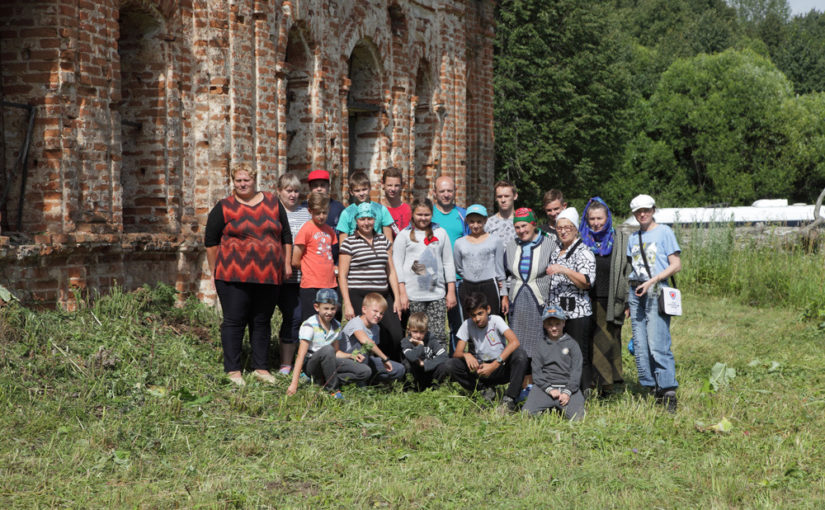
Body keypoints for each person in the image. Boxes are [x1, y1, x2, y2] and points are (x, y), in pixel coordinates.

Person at [204, 162, 292, 386]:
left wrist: (287, 263)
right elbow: (211, 242)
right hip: (233, 276)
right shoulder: (225, 207)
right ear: (233, 182)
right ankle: (233, 370)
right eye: (238, 181)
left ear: (255, 180)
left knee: (262, 321)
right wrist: (217, 271)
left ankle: (260, 368)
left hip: (268, 275)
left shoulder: (273, 202)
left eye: (246, 180)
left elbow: (286, 237)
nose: (242, 184)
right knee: (234, 322)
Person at [626, 194, 682, 412]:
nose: (642, 214)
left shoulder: (664, 232)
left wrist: (654, 280)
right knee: (640, 344)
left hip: (656, 289)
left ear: (653, 210)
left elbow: (675, 264)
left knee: (658, 342)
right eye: (638, 211)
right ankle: (651, 386)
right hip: (636, 290)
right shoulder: (633, 237)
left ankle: (668, 390)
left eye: (646, 210)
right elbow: (632, 267)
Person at [439, 292, 529, 412]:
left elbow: (514, 342)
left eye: (480, 313)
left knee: (520, 355)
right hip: (481, 368)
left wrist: (494, 364)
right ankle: (483, 391)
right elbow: (457, 353)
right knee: (451, 364)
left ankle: (510, 399)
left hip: (500, 365)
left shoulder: (496, 320)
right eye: (473, 315)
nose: (477, 319)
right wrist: (466, 355)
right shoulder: (467, 325)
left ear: (488, 309)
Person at [338, 202, 404, 361]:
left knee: (395, 334)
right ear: (356, 221)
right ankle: (367, 371)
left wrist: (397, 297)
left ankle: (392, 369)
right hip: (358, 295)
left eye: (369, 219)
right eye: (362, 219)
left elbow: (391, 271)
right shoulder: (349, 242)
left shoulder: (383, 240)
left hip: (382, 295)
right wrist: (347, 302)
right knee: (365, 336)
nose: (366, 223)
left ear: (375, 220)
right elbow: (342, 275)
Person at [580, 197, 630, 396]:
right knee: (589, 341)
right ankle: (591, 383)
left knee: (608, 341)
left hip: (610, 298)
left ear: (607, 217)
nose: (595, 223)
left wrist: (627, 301)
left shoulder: (619, 239)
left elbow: (627, 271)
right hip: (586, 298)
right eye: (591, 219)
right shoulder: (582, 239)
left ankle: (608, 385)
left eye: (599, 218)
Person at [393, 196, 457, 350]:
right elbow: (398, 265)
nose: (423, 218)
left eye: (426, 215)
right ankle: (417, 368)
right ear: (413, 215)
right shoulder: (404, 235)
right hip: (413, 295)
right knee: (416, 335)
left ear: (432, 214)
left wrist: (451, 291)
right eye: (419, 215)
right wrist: (402, 293)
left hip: (437, 295)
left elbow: (448, 262)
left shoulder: (440, 233)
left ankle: (439, 368)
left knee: (438, 334)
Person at [545, 207, 596, 394]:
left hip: (577, 313)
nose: (563, 231)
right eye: (559, 228)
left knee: (578, 353)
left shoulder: (584, 251)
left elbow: (587, 282)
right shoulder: (556, 249)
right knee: (561, 353)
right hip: (558, 313)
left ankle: (583, 391)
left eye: (568, 227)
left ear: (575, 229)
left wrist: (564, 270)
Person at [286, 289, 372, 397]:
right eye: (326, 308)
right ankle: (333, 390)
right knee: (327, 349)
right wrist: (294, 384)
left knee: (365, 371)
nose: (329, 312)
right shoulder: (309, 325)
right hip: (312, 364)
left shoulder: (336, 325)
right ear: (317, 307)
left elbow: (336, 352)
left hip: (330, 361)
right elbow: (300, 356)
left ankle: (323, 382)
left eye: (333, 309)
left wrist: (350, 355)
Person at [503, 208, 555, 362]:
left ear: (534, 224)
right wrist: (505, 295)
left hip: (539, 302)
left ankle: (538, 381)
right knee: (518, 345)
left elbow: (555, 276)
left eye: (524, 226)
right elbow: (506, 274)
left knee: (540, 343)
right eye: (517, 227)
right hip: (517, 302)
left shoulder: (549, 244)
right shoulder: (512, 246)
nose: (521, 230)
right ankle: (522, 380)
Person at [275, 172, 312, 375]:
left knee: (300, 317)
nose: (293, 195)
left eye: (296, 191)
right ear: (279, 191)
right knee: (291, 316)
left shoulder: (306, 213)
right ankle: (282, 362)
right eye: (289, 190)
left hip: (303, 276)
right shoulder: (273, 212)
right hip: (281, 276)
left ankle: (296, 362)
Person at [523, 306, 585, 420]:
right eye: (550, 325)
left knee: (578, 418)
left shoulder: (572, 344)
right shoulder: (540, 345)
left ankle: (560, 406)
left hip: (568, 388)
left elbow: (576, 371)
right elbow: (536, 372)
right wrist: (549, 389)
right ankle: (549, 405)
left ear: (564, 323)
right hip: (545, 388)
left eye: (557, 323)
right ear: (544, 325)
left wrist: (568, 391)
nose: (554, 328)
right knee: (527, 414)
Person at [431, 175, 469, 350]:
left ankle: (457, 361)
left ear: (455, 191)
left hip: (459, 278)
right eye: (442, 191)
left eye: (449, 191)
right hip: (434, 279)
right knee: (434, 325)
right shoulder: (428, 215)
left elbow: (470, 242)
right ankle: (436, 362)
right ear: (434, 193)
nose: (446, 194)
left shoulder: (463, 215)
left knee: (459, 324)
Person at [339, 292, 406, 384]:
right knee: (363, 347)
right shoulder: (355, 322)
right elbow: (366, 342)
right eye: (375, 311)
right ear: (364, 309)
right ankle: (358, 386)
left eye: (381, 313)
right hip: (347, 360)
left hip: (365, 360)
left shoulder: (376, 328)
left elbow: (371, 353)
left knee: (399, 369)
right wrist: (384, 358)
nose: (378, 315)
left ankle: (371, 382)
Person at [292, 191, 338, 322]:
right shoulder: (306, 229)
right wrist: (310, 269)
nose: (322, 216)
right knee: (311, 323)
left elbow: (329, 256)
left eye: (324, 212)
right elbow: (295, 259)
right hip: (311, 285)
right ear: (310, 211)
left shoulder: (329, 231)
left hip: (330, 283)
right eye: (318, 213)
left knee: (329, 322)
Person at [453, 204, 505, 318]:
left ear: (485, 220)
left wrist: (504, 294)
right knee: (471, 321)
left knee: (492, 320)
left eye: (479, 221)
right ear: (466, 221)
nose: (475, 225)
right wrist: (470, 276)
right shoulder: (459, 243)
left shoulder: (495, 241)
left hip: (489, 286)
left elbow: (500, 270)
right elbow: (459, 267)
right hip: (468, 286)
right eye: (471, 222)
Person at [336, 171, 395, 243]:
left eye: (364, 189)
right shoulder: (346, 213)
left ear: (369, 188)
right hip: (356, 251)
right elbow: (343, 244)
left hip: (378, 250)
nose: (361, 193)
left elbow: (389, 240)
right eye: (357, 191)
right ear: (351, 192)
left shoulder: (381, 210)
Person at [401, 311, 449, 391]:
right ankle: (410, 388)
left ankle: (435, 387)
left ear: (426, 330)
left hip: (429, 371)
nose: (418, 335)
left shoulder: (431, 340)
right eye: (415, 331)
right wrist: (420, 345)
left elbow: (444, 356)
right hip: (415, 373)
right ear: (409, 330)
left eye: (422, 332)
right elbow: (412, 357)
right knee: (407, 364)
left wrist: (425, 364)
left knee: (443, 366)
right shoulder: (406, 341)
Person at [306, 169, 345, 263]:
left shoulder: (338, 208)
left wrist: (339, 263)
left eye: (322, 185)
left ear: (329, 187)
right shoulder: (304, 208)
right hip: (311, 262)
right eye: (315, 186)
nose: (319, 189)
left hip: (334, 261)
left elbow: (344, 239)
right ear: (310, 188)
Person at [382, 167, 411, 234]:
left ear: (402, 186)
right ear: (383, 185)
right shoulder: (378, 210)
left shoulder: (408, 210)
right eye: (389, 185)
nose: (393, 189)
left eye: (396, 185)